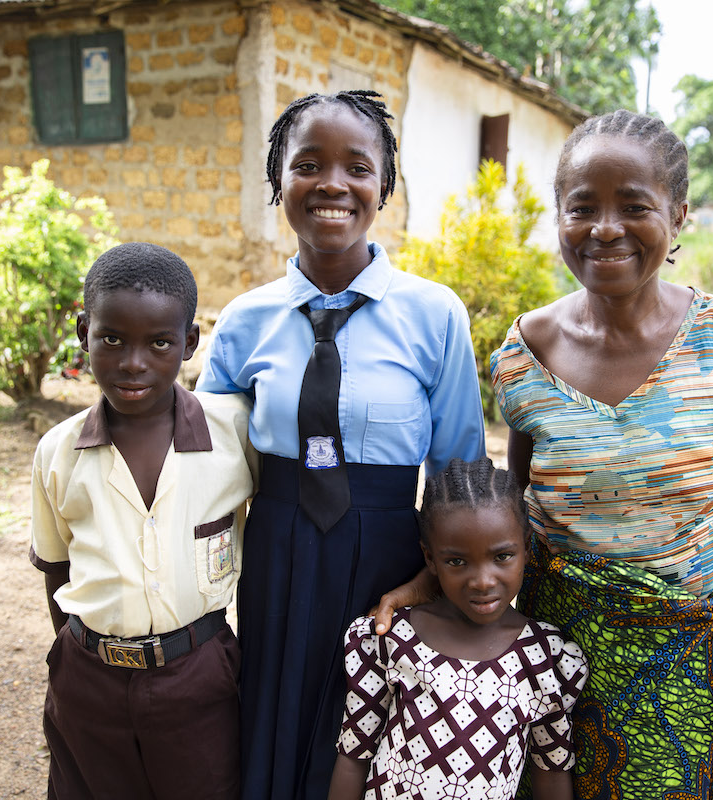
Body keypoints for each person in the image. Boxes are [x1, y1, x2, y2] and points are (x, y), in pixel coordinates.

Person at [490, 110, 713, 799]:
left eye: (634, 207)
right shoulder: (524, 355)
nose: (605, 228)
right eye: (582, 208)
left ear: (678, 216)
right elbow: (512, 520)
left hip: (692, 677)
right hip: (555, 676)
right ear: (559, 217)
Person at [196, 90, 486, 800]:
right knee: (276, 717)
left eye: (358, 166)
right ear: (280, 182)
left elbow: (460, 469)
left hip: (390, 567)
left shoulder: (434, 315)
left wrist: (432, 582)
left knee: (373, 737)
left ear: (384, 186)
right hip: (277, 556)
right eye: (308, 165)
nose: (333, 184)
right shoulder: (243, 322)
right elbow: (202, 464)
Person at [30, 242, 257, 800]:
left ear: (189, 343)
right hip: (89, 681)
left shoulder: (235, 435)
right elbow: (55, 569)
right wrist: (79, 660)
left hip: (199, 676)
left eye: (159, 343)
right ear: (84, 332)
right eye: (111, 339)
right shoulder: (58, 453)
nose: (134, 363)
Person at [328, 458, 587, 800]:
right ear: (430, 558)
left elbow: (551, 773)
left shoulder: (545, 659)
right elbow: (353, 756)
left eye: (502, 557)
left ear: (526, 548)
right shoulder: (392, 639)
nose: (482, 581)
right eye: (456, 562)